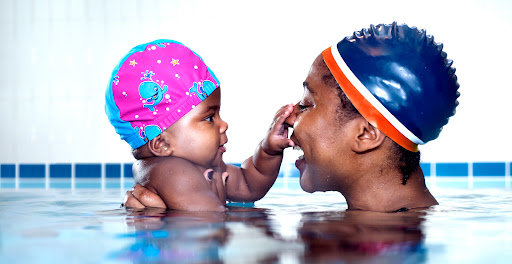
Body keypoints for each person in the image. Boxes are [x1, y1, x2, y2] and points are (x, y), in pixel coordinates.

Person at [125, 23, 460, 212]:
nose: (289, 116)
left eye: (307, 104)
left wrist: (171, 225)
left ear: (365, 135)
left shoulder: (374, 258)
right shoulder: (383, 236)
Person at [105, 40, 294, 211]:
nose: (224, 125)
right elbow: (208, 226)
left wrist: (268, 151)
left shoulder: (195, 164)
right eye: (209, 118)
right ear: (161, 143)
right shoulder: (174, 174)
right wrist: (219, 205)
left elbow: (249, 184)